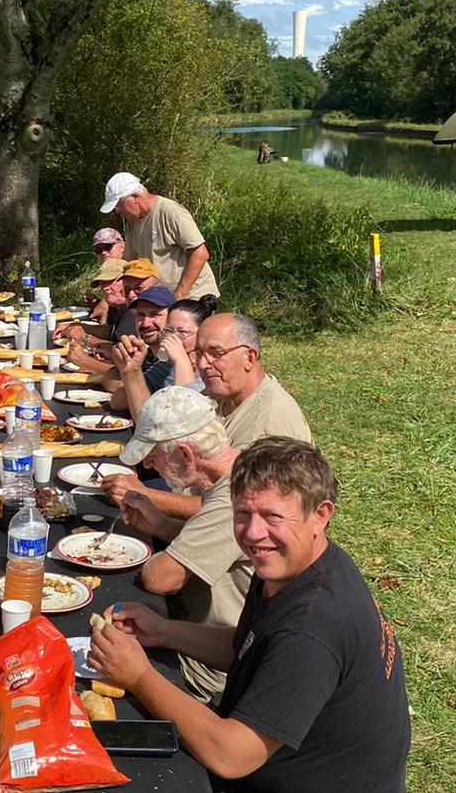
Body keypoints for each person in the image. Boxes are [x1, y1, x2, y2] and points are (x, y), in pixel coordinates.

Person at [88, 437, 410, 791]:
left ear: (320, 515)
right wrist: (163, 631)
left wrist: (139, 676)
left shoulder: (313, 628)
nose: (254, 533)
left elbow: (231, 755)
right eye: (243, 514)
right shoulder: (300, 564)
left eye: (272, 516)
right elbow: (253, 646)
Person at [113, 387, 250, 703]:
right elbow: (213, 541)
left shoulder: (233, 496)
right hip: (193, 632)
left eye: (155, 456)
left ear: (186, 455)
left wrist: (159, 549)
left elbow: (160, 578)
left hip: (207, 666)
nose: (149, 466)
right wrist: (162, 526)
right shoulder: (231, 474)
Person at [196, 313, 310, 450]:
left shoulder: (265, 428)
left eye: (215, 353)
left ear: (249, 358)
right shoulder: (219, 395)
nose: (202, 364)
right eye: (198, 353)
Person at [101, 171, 220, 300]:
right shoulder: (132, 221)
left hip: (193, 296)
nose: (118, 212)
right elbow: (130, 262)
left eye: (119, 206)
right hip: (162, 298)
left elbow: (200, 254)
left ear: (135, 197)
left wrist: (179, 294)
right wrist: (107, 298)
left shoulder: (170, 211)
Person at [106, 295, 219, 417]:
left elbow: (184, 418)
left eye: (183, 332)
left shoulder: (211, 369)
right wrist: (131, 370)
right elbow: (117, 403)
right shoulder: (166, 367)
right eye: (169, 331)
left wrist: (181, 360)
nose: (173, 338)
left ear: (202, 334)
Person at [56, 258, 135, 373]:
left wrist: (84, 338)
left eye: (111, 281)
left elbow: (121, 352)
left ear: (126, 281)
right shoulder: (117, 305)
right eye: (103, 283)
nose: (106, 287)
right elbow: (112, 332)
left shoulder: (132, 310)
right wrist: (78, 326)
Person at [103, 285, 175, 408]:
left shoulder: (174, 361)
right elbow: (113, 388)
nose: (146, 323)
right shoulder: (147, 354)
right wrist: (129, 374)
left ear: (172, 318)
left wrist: (131, 384)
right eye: (141, 315)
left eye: (155, 314)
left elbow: (122, 403)